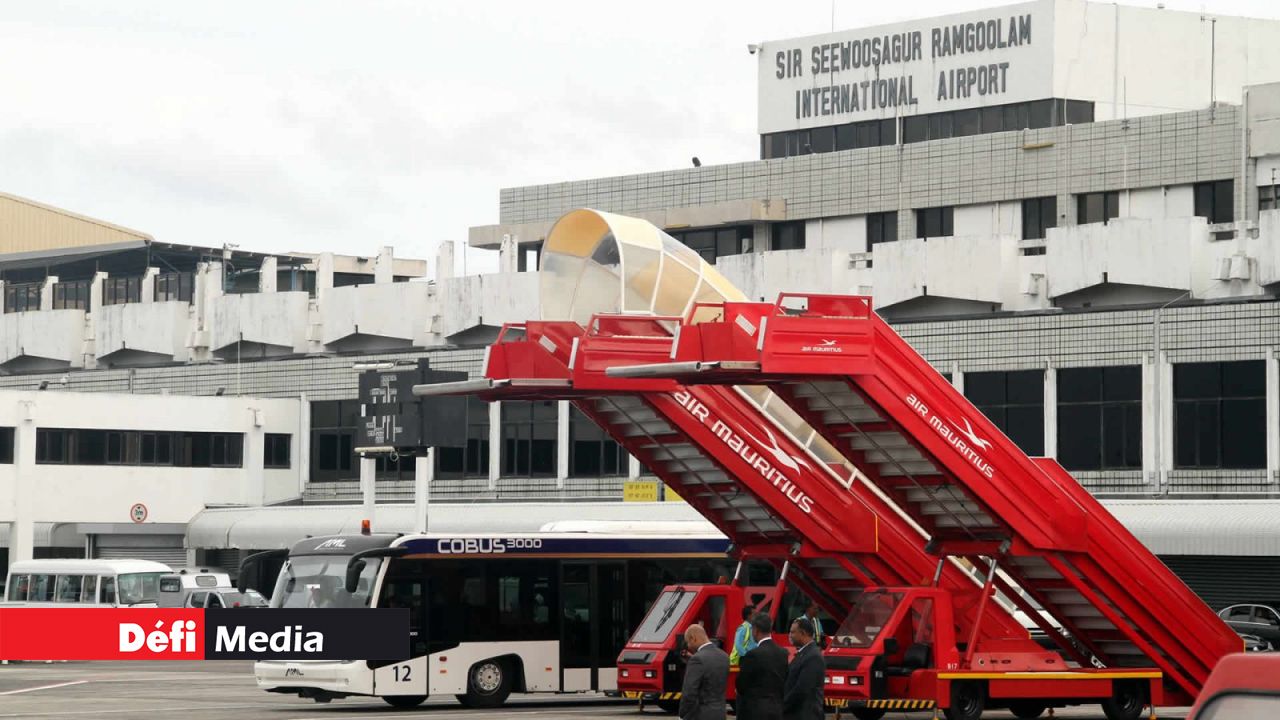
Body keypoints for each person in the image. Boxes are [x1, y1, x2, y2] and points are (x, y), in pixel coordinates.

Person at [736, 613, 786, 720]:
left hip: (755, 712)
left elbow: (741, 685)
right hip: (777, 710)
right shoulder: (783, 653)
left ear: (755, 630)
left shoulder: (752, 655)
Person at [678, 624, 729, 720]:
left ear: (693, 638)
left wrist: (682, 714)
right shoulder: (724, 657)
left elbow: (689, 693)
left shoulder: (697, 659)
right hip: (720, 714)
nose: (688, 646)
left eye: (688, 642)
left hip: (700, 715)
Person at [783, 618, 825, 720]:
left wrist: (782, 706)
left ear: (803, 633)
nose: (790, 635)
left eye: (793, 632)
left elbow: (802, 689)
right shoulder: (803, 653)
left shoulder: (813, 656)